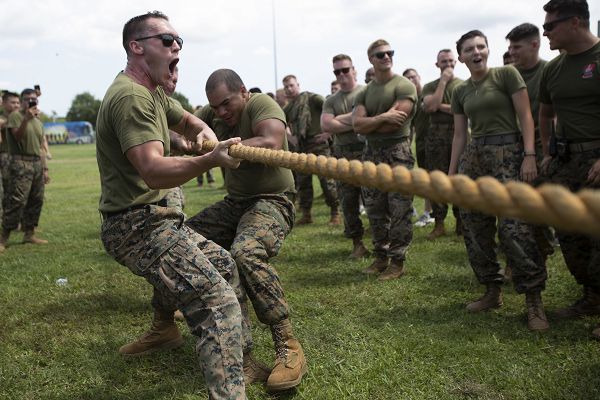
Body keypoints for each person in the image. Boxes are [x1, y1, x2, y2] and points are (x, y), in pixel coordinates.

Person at [95, 12, 247, 399]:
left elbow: (192, 123)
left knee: (224, 266)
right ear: (137, 46)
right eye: (167, 39)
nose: (177, 46)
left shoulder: (156, 93)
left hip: (156, 218)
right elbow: (153, 172)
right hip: (133, 225)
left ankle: (235, 362)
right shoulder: (131, 96)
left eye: (179, 40)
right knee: (216, 302)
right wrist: (211, 160)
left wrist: (207, 137)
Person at [187, 69, 307, 392]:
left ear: (242, 91)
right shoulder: (213, 114)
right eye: (216, 108)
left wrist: (222, 147)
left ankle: (288, 345)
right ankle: (242, 356)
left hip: (273, 200)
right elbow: (181, 127)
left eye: (227, 104)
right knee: (181, 239)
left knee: (246, 251)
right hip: (236, 202)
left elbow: (271, 140)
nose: (222, 113)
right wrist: (189, 140)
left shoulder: (261, 104)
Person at [449, 30, 548, 331]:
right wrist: (453, 172)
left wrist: (529, 155)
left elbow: (526, 116)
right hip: (474, 157)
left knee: (514, 226)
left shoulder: (507, 74)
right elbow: (459, 134)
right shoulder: (459, 90)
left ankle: (534, 301)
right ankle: (491, 291)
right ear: (462, 57)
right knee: (474, 225)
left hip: (508, 153)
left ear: (488, 50)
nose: (476, 52)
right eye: (469, 49)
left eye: (481, 46)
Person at [538, 0, 600, 339]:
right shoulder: (554, 68)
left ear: (575, 22)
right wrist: (548, 149)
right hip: (565, 163)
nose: (545, 32)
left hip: (597, 161)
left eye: (550, 26)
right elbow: (545, 114)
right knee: (571, 237)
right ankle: (591, 298)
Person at [352, 39, 417, 281]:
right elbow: (356, 124)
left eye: (390, 52)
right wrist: (383, 117)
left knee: (399, 208)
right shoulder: (365, 91)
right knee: (375, 208)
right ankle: (381, 256)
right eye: (380, 54)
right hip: (371, 155)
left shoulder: (404, 85)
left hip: (397, 153)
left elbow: (397, 121)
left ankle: (397, 261)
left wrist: (372, 122)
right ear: (371, 59)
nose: (386, 57)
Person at [506, 23, 556, 264]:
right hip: (511, 149)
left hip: (540, 147)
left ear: (535, 45)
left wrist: (542, 154)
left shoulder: (550, 71)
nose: (512, 52)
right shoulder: (507, 75)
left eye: (517, 47)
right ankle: (518, 259)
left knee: (536, 208)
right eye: (510, 47)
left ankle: (541, 249)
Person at [320, 54, 370, 259]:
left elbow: (371, 118)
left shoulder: (366, 92)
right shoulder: (331, 100)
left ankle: (382, 244)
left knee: (374, 201)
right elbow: (326, 125)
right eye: (337, 71)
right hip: (342, 156)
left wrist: (341, 121)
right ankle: (358, 244)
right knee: (348, 203)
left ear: (354, 70)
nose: (341, 75)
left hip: (367, 153)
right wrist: (357, 120)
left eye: (345, 70)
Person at [283, 74, 339, 225]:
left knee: (327, 181)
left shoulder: (313, 98)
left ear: (298, 85)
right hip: (302, 147)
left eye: (291, 85)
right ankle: (307, 214)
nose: (289, 89)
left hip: (319, 145)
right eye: (286, 87)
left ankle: (335, 212)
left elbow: (332, 110)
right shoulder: (289, 107)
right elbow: (280, 122)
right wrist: (291, 138)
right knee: (304, 183)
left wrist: (329, 132)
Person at [421, 50, 464, 239]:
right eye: (443, 61)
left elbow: (464, 111)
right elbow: (430, 106)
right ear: (437, 64)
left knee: (460, 177)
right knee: (437, 178)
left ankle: (461, 223)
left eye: (450, 61)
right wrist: (443, 82)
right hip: (435, 136)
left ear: (456, 62)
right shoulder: (430, 86)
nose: (447, 64)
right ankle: (439, 223)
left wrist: (441, 106)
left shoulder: (463, 85)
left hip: (459, 133)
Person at [0, 89, 50, 249]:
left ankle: (29, 234)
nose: (30, 101)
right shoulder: (16, 116)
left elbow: (41, 147)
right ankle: (3, 238)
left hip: (36, 164)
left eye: (33, 99)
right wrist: (26, 120)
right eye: (27, 99)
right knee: (17, 200)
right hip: (21, 163)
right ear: (22, 101)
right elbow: (17, 137)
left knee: (37, 200)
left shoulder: (38, 121)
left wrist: (45, 169)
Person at [402, 68, 435, 229]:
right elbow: (410, 127)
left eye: (413, 77)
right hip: (422, 144)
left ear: (419, 77)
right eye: (407, 78)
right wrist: (407, 144)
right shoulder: (411, 101)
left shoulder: (428, 93)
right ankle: (428, 213)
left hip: (440, 141)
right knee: (426, 179)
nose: (411, 80)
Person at [0, 92, 20, 228]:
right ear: (4, 103)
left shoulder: (18, 117)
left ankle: (15, 220)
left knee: (16, 190)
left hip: (17, 157)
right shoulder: (3, 119)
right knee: (6, 190)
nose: (16, 105)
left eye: (18, 103)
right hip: (5, 156)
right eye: (13, 103)